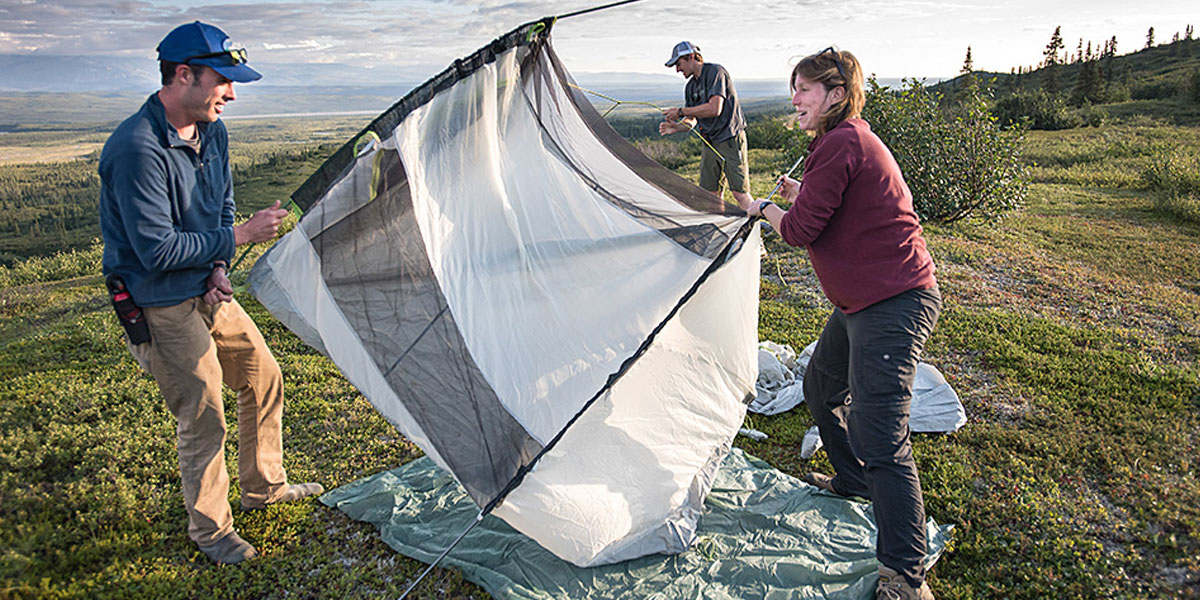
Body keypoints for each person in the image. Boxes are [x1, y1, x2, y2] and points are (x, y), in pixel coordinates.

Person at [98, 21, 323, 566]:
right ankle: (212, 532)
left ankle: (264, 487)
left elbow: (221, 203)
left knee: (262, 375)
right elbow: (155, 251)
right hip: (159, 300)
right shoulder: (135, 149)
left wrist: (221, 261)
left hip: (206, 285)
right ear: (183, 75)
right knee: (203, 414)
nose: (232, 93)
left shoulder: (212, 130)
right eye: (223, 80)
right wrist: (241, 237)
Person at [742, 48, 940, 600]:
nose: (795, 99)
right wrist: (799, 196)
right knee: (822, 386)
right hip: (863, 302)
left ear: (835, 94)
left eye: (804, 89)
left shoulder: (840, 142)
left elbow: (801, 232)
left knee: (882, 435)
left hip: (893, 302)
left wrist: (765, 210)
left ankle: (905, 574)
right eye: (793, 91)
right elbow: (831, 213)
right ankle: (852, 481)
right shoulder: (843, 143)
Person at [659, 41, 752, 208]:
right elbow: (692, 119)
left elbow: (715, 108)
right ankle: (720, 230)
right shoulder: (690, 87)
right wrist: (678, 127)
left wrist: (681, 111)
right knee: (711, 194)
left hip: (730, 138)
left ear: (691, 57)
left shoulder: (716, 72)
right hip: (709, 142)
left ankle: (756, 226)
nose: (677, 69)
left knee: (740, 193)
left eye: (679, 64)